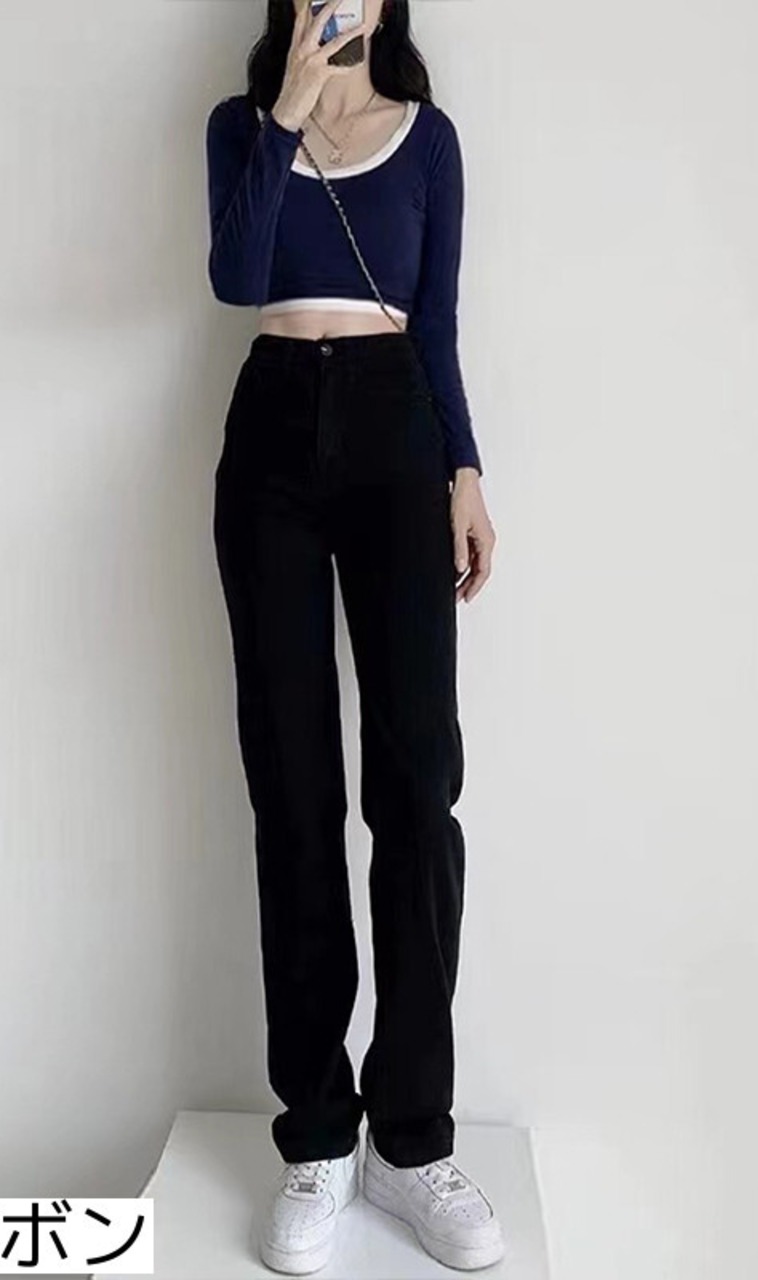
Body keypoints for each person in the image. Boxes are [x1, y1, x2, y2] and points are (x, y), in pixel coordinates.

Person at [204, 1, 501, 1271]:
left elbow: (435, 319)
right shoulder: (239, 127)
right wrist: (286, 106)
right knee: (292, 789)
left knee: (417, 788)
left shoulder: (427, 138)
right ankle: (319, 1134)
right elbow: (236, 276)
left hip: (395, 427)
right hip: (270, 429)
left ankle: (412, 1139)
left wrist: (464, 469)